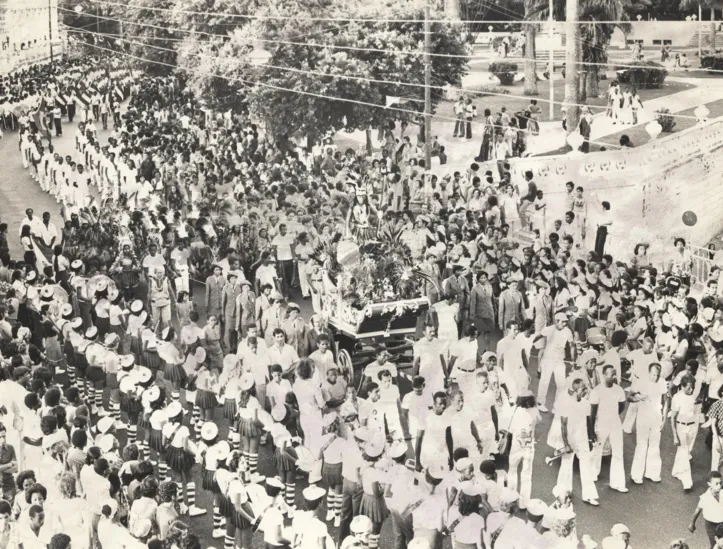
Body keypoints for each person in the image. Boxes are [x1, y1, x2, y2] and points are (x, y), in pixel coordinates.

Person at [590, 364, 628, 493]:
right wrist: (591, 431)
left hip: (615, 424)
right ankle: (592, 474)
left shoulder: (619, 390)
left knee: (618, 452)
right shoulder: (596, 391)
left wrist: (613, 416)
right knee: (597, 450)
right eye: (612, 374)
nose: (614, 376)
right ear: (604, 375)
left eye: (615, 373)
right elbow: (592, 412)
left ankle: (617, 483)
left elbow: (622, 406)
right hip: (601, 424)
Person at [690, 471, 723, 547]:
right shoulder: (705, 497)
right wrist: (692, 523)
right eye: (716, 483)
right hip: (711, 525)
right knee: (715, 543)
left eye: (720, 483)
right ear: (709, 484)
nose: (719, 486)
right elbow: (698, 510)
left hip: (722, 523)